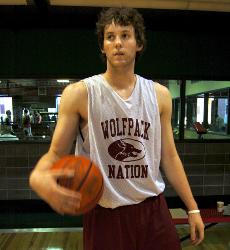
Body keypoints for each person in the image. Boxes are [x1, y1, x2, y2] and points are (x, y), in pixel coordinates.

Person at [29, 7, 204, 250]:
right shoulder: (79, 94)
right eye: (110, 36)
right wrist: (38, 175)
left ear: (138, 44)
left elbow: (169, 156)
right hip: (105, 213)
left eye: (125, 35)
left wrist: (192, 207)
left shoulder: (160, 96)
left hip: (152, 209)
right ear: (102, 46)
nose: (118, 43)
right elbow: (56, 153)